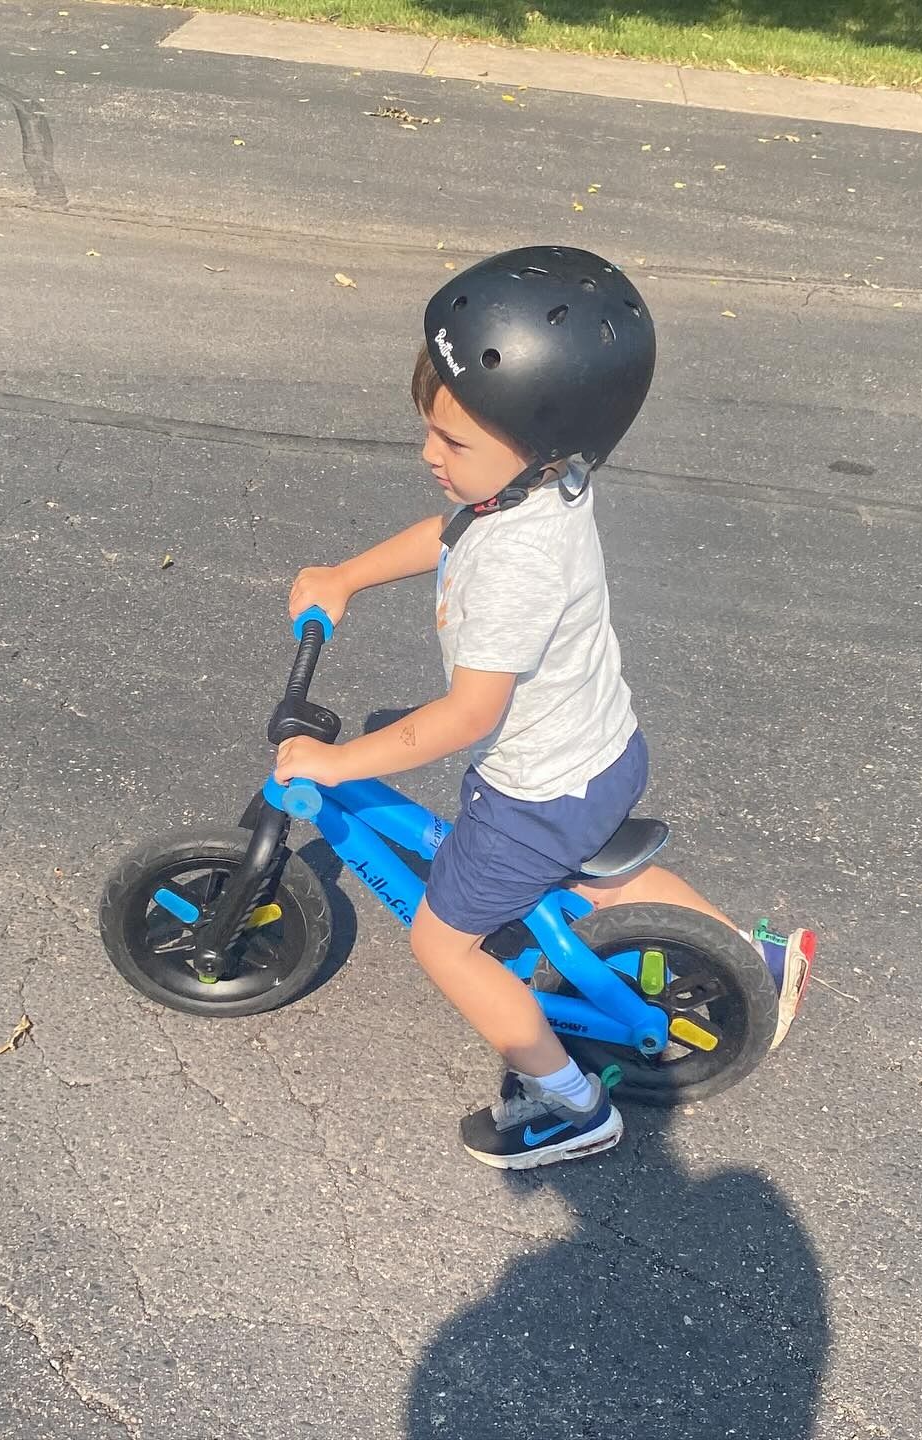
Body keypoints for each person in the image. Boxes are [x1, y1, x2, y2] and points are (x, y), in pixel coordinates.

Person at [273, 246, 812, 1170]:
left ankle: (565, 1102)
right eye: (431, 431)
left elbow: (463, 719)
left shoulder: (519, 560)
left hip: (537, 794)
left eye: (452, 443)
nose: (428, 455)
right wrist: (349, 575)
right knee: (607, 879)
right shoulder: (537, 489)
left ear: (541, 443)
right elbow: (445, 537)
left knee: (447, 946)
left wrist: (336, 763)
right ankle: (746, 962)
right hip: (604, 753)